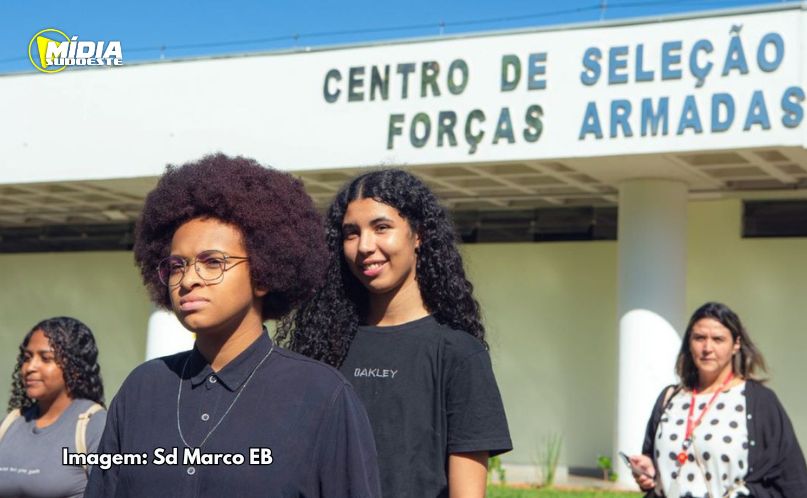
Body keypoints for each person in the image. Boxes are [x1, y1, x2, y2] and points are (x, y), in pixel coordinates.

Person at [85, 154, 381, 497]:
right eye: (177, 265)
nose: (188, 280)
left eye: (213, 262)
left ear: (264, 273)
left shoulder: (321, 396)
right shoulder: (141, 390)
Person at [277, 168, 512, 498]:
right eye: (351, 233)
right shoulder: (320, 347)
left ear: (418, 234)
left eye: (381, 227)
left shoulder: (458, 353)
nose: (365, 246)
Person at [630, 301, 807, 497]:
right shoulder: (670, 398)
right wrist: (647, 471)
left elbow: (793, 478)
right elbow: (653, 464)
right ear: (689, 343)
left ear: (736, 344)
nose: (707, 347)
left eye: (718, 339)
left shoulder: (760, 402)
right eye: (699, 338)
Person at [0, 317, 106, 498]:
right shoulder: (10, 424)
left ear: (74, 367)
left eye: (45, 358)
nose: (30, 367)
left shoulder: (93, 426)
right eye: (27, 358)